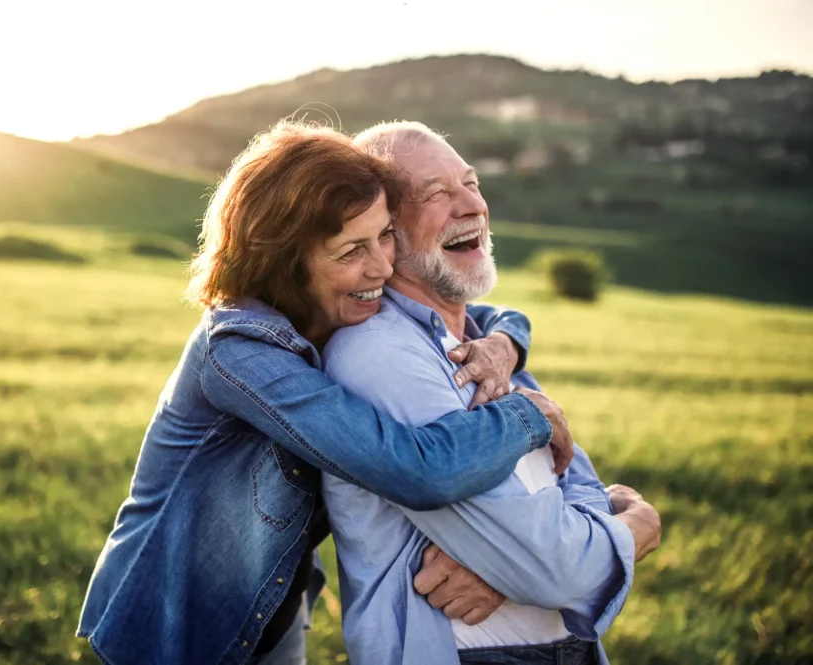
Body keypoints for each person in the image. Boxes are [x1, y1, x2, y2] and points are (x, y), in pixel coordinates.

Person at [76, 121, 575, 665]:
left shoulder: (335, 310)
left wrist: (505, 343)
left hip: (273, 614)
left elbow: (480, 314)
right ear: (287, 261)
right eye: (351, 250)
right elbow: (414, 470)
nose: (383, 266)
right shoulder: (240, 353)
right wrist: (528, 415)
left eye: (384, 234)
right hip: (175, 629)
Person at [321, 122, 663, 665]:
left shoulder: (486, 347)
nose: (471, 206)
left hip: (568, 647)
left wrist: (514, 570)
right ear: (386, 232)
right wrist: (636, 527)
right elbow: (556, 569)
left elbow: (576, 485)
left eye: (471, 183)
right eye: (436, 193)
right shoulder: (379, 354)